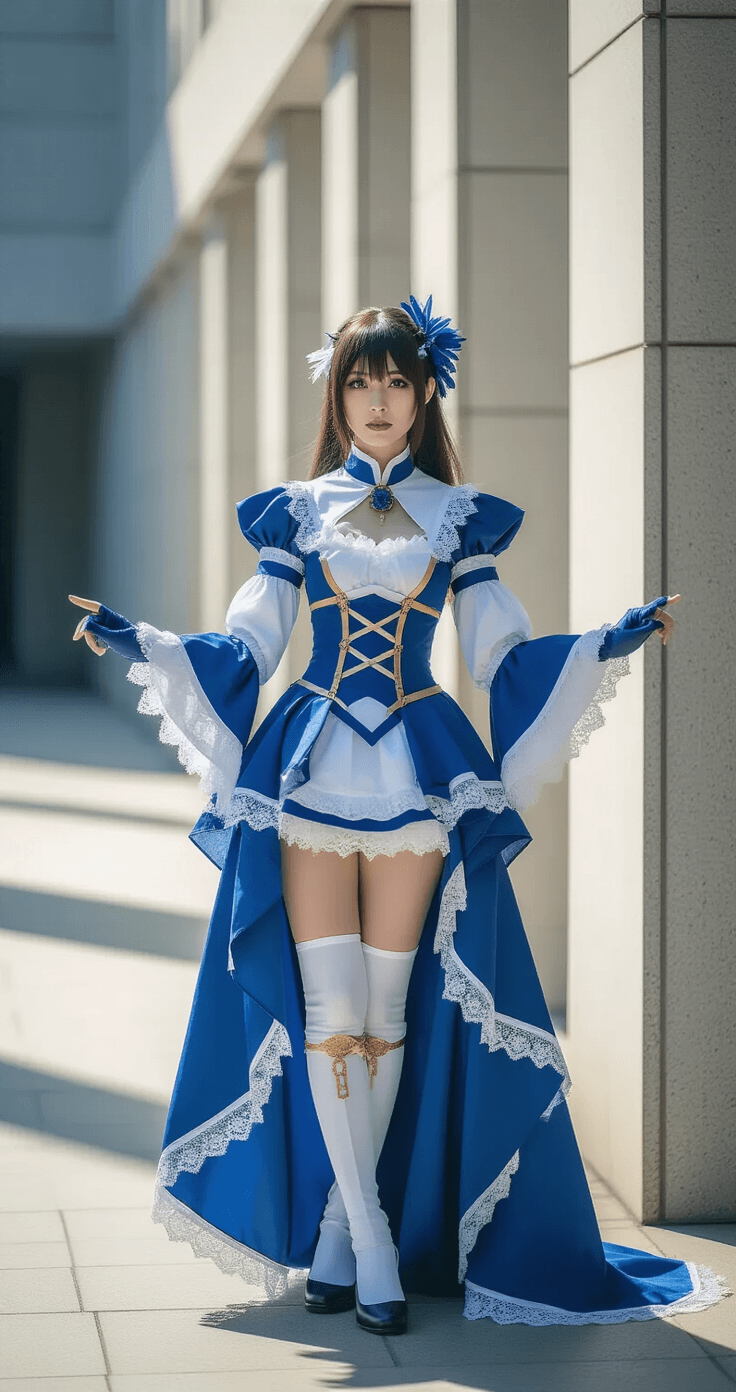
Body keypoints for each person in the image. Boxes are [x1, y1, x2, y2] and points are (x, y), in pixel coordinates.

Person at [70, 296, 725, 1333]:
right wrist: (144, 644)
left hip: (416, 779)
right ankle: (371, 1241)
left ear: (424, 396)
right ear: (336, 396)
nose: (376, 400)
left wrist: (601, 645)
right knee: (329, 1015)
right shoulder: (295, 513)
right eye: (358, 381)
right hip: (310, 775)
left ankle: (342, 1233)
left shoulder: (459, 518)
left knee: (385, 1015)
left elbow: (503, 657)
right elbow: (248, 647)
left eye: (395, 381)